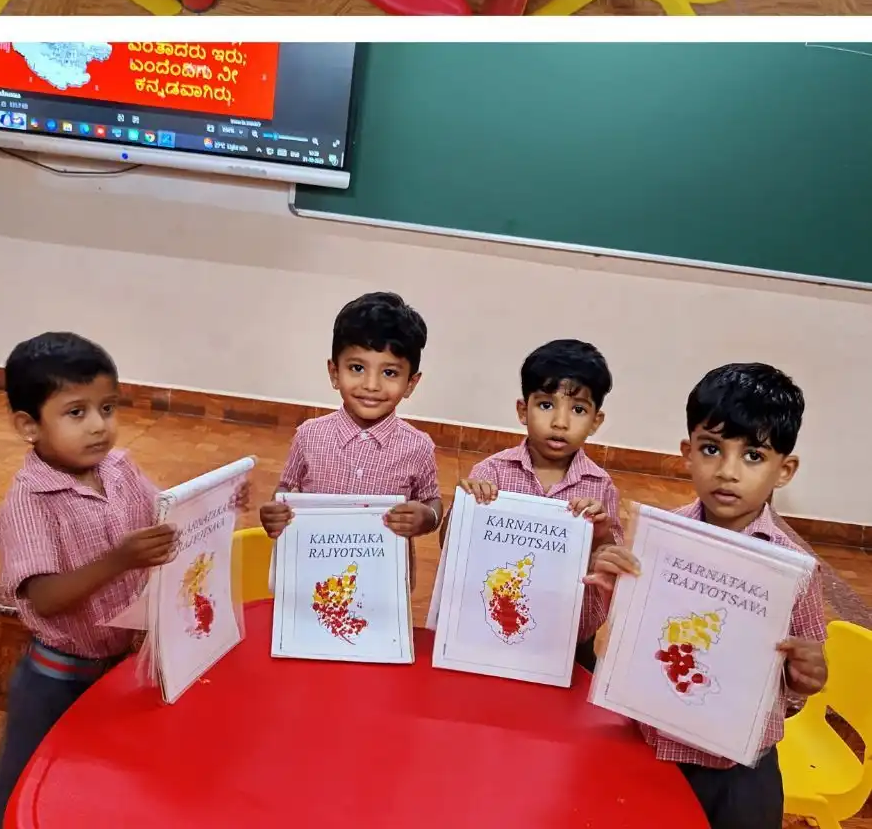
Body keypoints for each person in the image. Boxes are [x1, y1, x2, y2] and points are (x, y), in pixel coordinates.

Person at [586, 362, 827, 829]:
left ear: (785, 469)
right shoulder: (658, 539)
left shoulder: (795, 570)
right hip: (650, 747)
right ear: (687, 453)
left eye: (753, 456)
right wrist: (620, 594)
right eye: (712, 449)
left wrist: (806, 676)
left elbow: (802, 682)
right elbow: (625, 646)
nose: (728, 472)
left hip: (736, 769)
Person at [0, 333, 177, 829]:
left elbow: (163, 509)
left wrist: (211, 501)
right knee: (25, 782)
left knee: (93, 776)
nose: (98, 427)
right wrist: (118, 560)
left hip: (117, 665)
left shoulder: (119, 468)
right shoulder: (28, 503)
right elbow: (45, 598)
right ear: (29, 425)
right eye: (76, 412)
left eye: (107, 408)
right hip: (55, 678)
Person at [449, 338, 622, 664]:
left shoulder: (600, 486)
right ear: (522, 410)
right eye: (545, 405)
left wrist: (601, 535)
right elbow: (452, 548)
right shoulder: (491, 472)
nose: (560, 422)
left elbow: (611, 563)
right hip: (496, 624)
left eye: (579, 410)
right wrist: (466, 507)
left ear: (596, 421)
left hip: (572, 640)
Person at [260, 292, 442, 556]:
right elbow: (286, 487)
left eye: (389, 372)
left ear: (410, 384)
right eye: (357, 368)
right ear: (335, 373)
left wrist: (428, 518)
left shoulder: (418, 446)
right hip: (312, 572)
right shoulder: (309, 435)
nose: (371, 385)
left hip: (383, 587)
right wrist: (276, 509)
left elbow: (431, 500)